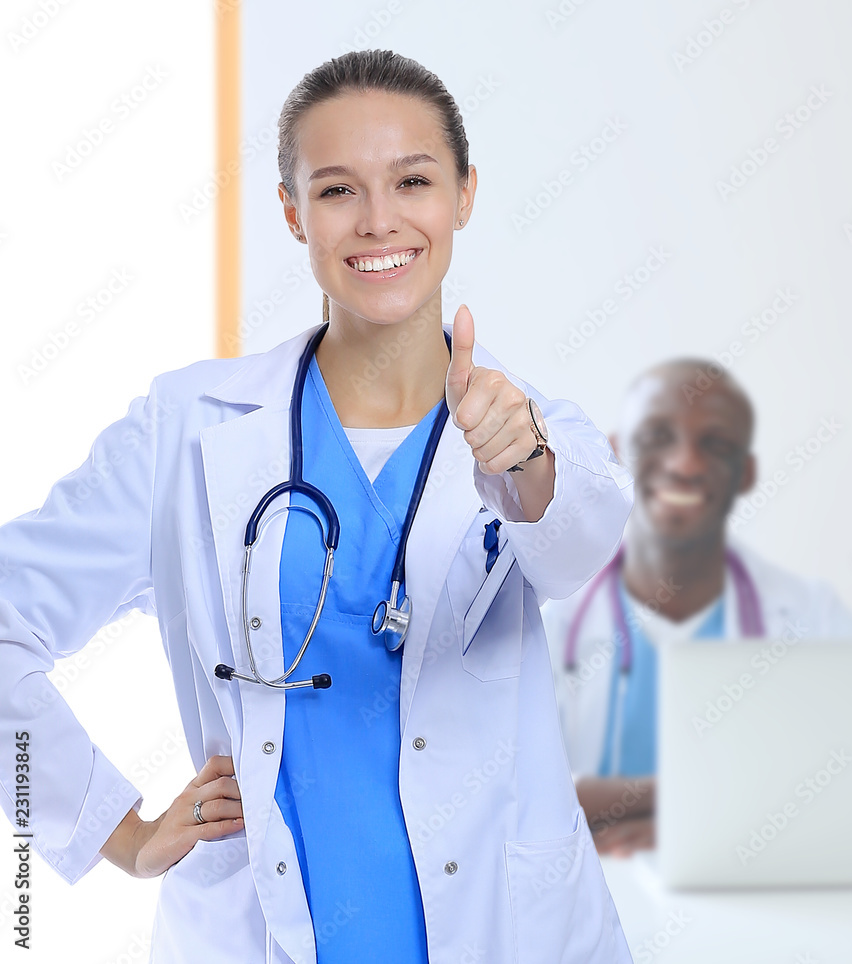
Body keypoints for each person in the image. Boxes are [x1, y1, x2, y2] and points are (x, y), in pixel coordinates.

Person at [0, 51, 635, 963]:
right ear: (294, 212)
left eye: (413, 180)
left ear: (464, 195)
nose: (380, 221)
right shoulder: (184, 430)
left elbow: (577, 546)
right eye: (338, 190)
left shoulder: (529, 424)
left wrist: (523, 457)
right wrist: (115, 832)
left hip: (507, 931)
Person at [542, 358, 852, 857]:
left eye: (714, 444)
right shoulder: (544, 622)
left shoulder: (812, 619)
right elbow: (506, 808)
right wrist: (708, 805)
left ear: (746, 472)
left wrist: (655, 814)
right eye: (656, 437)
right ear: (615, 453)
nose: (685, 465)